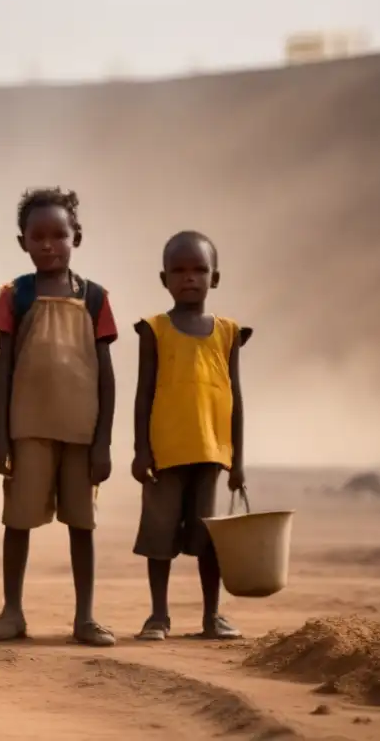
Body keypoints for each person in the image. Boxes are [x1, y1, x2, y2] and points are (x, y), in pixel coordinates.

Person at [0, 187, 117, 647]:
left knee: (82, 525)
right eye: (36, 236)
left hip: (81, 432)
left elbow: (106, 375)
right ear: (22, 241)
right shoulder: (14, 295)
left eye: (58, 235)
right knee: (17, 522)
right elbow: (3, 372)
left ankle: (85, 618)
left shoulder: (96, 297)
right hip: (28, 430)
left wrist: (104, 442)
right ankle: (11, 611)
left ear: (76, 236)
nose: (47, 245)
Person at [131, 231, 251, 642]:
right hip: (165, 453)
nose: (189, 277)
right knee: (159, 534)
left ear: (214, 278)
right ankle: (159, 616)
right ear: (164, 278)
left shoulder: (228, 332)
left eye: (199, 269)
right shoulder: (155, 329)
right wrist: (140, 449)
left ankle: (212, 616)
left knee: (209, 538)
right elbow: (143, 393)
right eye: (178, 270)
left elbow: (234, 396)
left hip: (211, 452)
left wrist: (237, 460)